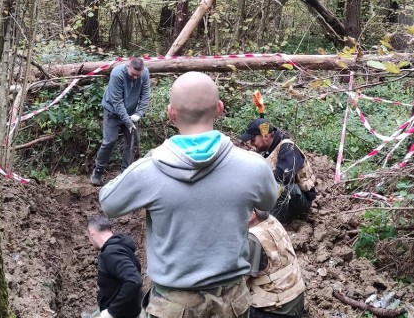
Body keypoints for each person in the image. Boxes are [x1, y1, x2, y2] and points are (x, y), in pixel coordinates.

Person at [100, 72, 279, 318]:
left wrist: (148, 160)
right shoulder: (253, 166)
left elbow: (108, 202)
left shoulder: (150, 169)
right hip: (232, 304)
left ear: (170, 113)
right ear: (219, 108)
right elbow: (269, 202)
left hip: (172, 305)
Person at [239, 119, 317, 223]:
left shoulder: (288, 147)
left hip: (300, 201)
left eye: (253, 140)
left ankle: (269, 224)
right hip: (281, 198)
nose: (252, 144)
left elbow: (284, 177)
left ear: (265, 136)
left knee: (280, 187)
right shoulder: (265, 150)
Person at [92, 58, 151, 186]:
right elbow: (117, 102)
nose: (135, 77)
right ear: (127, 67)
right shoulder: (117, 74)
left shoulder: (144, 73)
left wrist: (138, 113)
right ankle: (97, 171)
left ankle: (126, 174)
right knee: (109, 141)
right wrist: (128, 123)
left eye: (138, 75)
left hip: (131, 113)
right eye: (133, 74)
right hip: (112, 111)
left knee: (131, 144)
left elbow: (145, 94)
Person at [246, 209, 306, 318]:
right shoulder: (271, 220)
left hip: (276, 311)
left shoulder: (252, 237)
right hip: (296, 302)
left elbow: (240, 282)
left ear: (252, 215)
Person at [86, 215, 143, 318]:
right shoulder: (121, 247)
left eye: (88, 237)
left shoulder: (112, 253)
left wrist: (112, 312)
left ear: (91, 232)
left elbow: (133, 281)